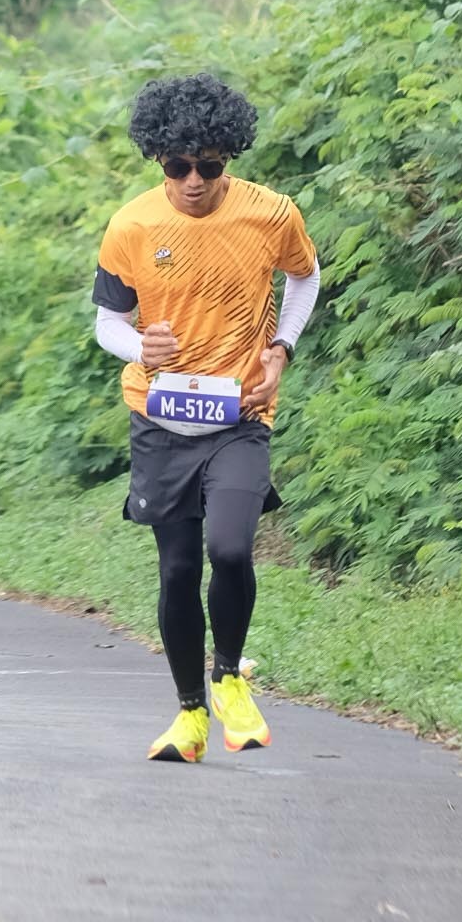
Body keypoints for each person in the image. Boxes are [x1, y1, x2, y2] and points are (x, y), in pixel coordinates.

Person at [91, 71, 320, 763]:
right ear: (158, 158)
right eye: (177, 167)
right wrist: (141, 346)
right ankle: (190, 715)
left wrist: (280, 349)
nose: (193, 182)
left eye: (210, 167)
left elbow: (304, 276)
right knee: (177, 570)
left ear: (229, 158)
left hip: (240, 413)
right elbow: (107, 321)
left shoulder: (270, 213)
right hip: (160, 418)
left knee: (229, 548)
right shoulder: (132, 225)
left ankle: (228, 679)